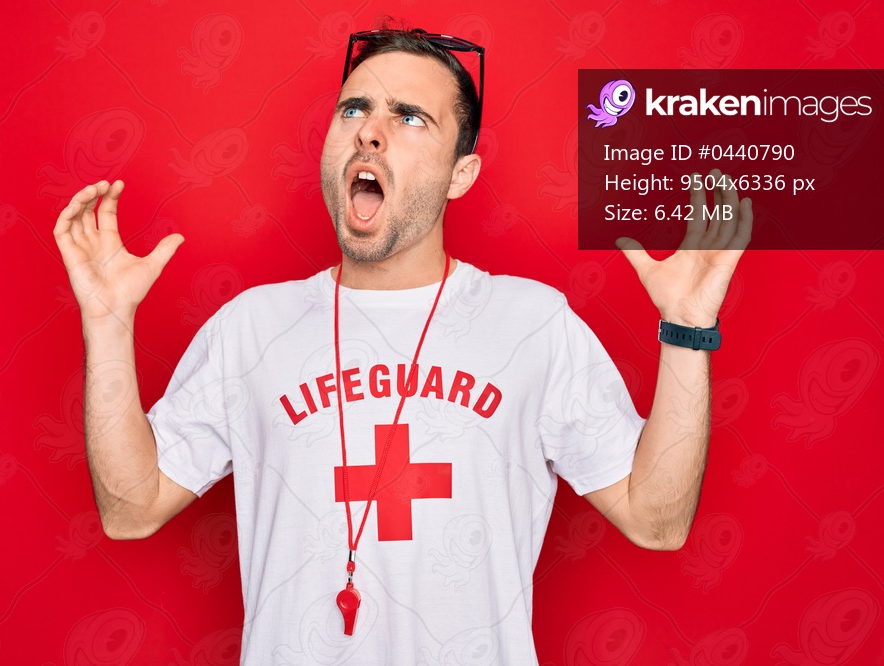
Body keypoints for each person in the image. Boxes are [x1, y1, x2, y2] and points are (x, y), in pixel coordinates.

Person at [53, 26, 750, 666]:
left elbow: (657, 521)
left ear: (460, 174)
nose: (370, 132)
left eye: (410, 117)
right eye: (354, 109)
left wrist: (687, 327)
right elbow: (131, 508)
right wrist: (107, 323)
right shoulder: (250, 329)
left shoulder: (533, 324)